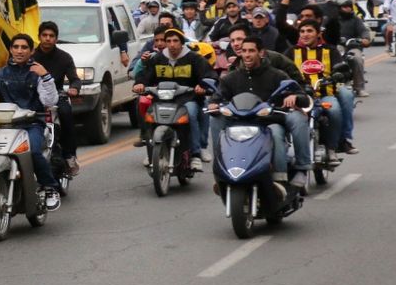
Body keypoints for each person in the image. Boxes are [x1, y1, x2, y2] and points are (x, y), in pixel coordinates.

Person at [0, 34, 62, 211]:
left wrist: (46, 77)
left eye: (24, 47)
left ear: (31, 50)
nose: (20, 51)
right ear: (11, 50)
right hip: (5, 126)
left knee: (34, 151)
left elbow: (50, 102)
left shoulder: (38, 73)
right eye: (16, 47)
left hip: (32, 125)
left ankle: (49, 187)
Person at [211, 35, 313, 194]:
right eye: (244, 51)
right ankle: (221, 173)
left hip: (270, 122)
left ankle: (283, 177)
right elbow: (218, 96)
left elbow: (302, 97)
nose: (247, 55)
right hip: (240, 123)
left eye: (251, 51)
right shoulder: (231, 78)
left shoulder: (277, 75)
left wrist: (294, 97)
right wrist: (214, 103)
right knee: (215, 118)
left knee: (277, 133)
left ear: (261, 53)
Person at [132, 27, 212, 166]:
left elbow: (208, 76)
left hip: (188, 99)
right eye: (168, 41)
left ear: (182, 43)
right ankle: (151, 154)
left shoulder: (194, 58)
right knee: (150, 117)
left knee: (191, 114)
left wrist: (202, 86)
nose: (172, 44)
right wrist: (139, 84)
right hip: (161, 100)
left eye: (175, 41)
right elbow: (144, 76)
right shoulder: (157, 58)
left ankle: (195, 154)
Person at [290, 18, 351, 166]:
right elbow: (280, 71)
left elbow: (343, 69)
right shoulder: (292, 51)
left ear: (318, 34)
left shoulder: (330, 50)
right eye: (302, 31)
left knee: (335, 110)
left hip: (324, 95)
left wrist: (339, 75)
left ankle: (331, 148)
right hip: (300, 96)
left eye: (309, 31)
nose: (305, 34)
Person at [33, 21, 82, 177]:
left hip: (56, 97)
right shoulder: (30, 56)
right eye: (44, 35)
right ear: (39, 37)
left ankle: (69, 156)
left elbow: (75, 78)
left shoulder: (64, 57)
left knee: (66, 114)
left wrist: (74, 88)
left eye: (51, 36)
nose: (48, 39)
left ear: (56, 38)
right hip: (32, 98)